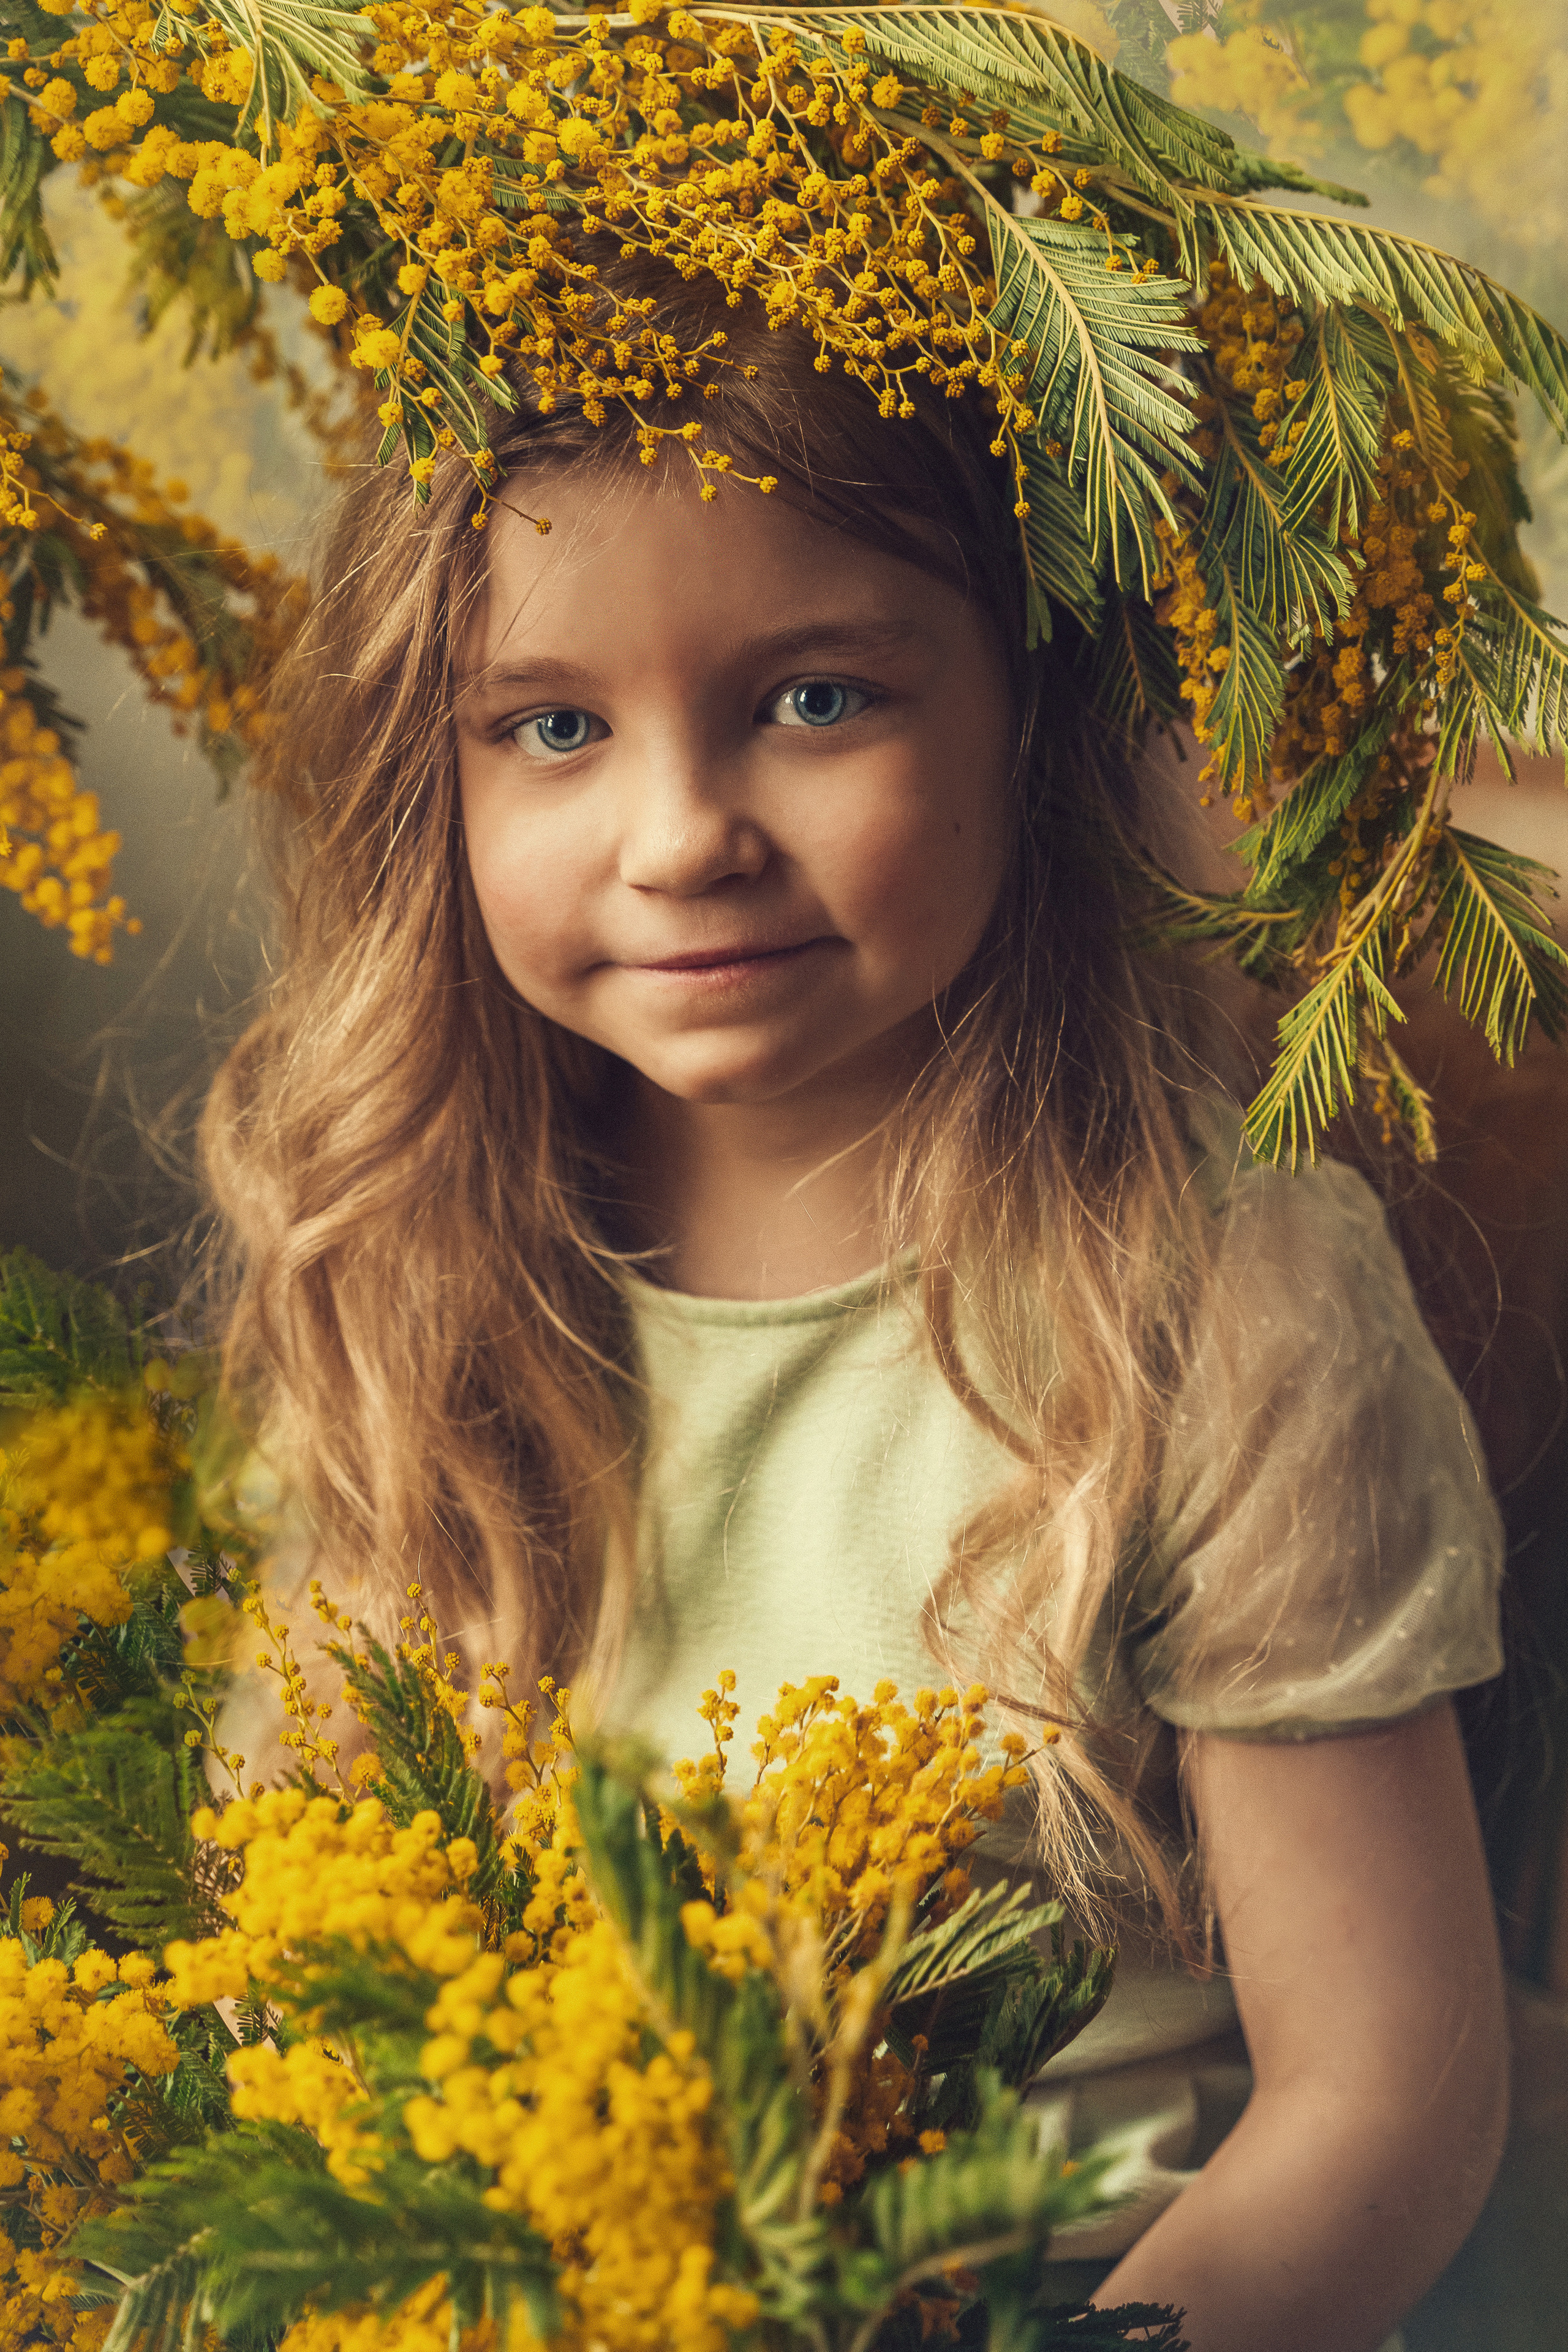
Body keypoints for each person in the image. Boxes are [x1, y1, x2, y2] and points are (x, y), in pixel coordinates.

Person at [205, 252, 1509, 2352]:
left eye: (815, 698)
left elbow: (1385, 2100)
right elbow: (291, 1964)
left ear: (1035, 718)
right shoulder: (415, 1274)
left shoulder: (1216, 1305)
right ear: (430, 791)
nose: (681, 835)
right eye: (553, 727)